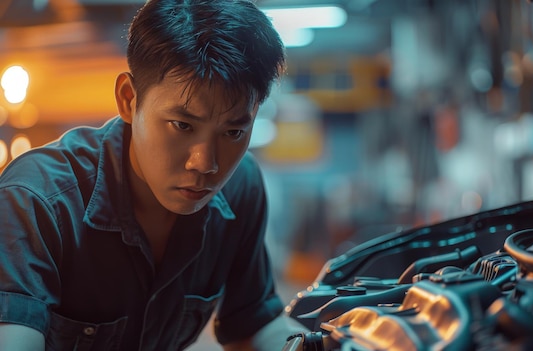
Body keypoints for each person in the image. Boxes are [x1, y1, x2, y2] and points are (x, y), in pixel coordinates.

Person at [0, 0, 307, 349]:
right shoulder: (35, 201)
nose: (205, 163)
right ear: (129, 100)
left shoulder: (241, 188)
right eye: (182, 125)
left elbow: (253, 326)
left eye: (233, 132)